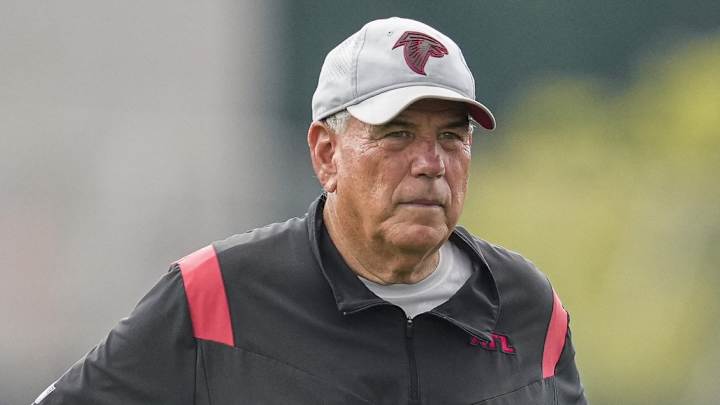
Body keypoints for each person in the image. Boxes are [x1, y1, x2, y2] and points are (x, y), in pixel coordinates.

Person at [33, 17, 587, 404]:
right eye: (397, 134)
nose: (430, 164)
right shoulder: (215, 296)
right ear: (327, 153)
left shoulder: (530, 310)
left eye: (451, 136)